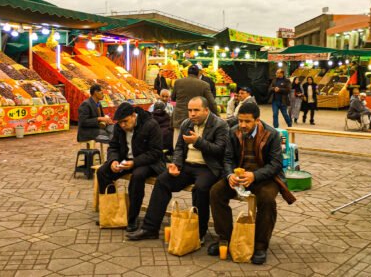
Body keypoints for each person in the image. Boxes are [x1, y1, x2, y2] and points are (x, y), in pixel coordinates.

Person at [127, 96, 229, 242]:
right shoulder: (186, 124)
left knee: (200, 188)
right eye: (190, 110)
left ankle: (199, 232)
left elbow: (220, 150)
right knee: (162, 181)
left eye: (196, 110)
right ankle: (150, 228)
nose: (192, 114)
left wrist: (198, 142)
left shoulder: (219, 125)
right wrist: (175, 164)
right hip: (187, 166)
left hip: (208, 167)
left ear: (206, 110)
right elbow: (179, 148)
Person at [208, 102, 296, 265]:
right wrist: (229, 175)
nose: (242, 125)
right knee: (216, 192)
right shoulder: (233, 132)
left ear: (257, 120)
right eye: (240, 120)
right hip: (239, 176)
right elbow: (227, 158)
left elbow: (276, 164)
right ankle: (225, 239)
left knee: (267, 199)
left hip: (265, 177)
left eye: (247, 121)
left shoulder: (272, 134)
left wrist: (254, 175)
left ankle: (260, 245)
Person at [95, 102, 166, 232]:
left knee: (137, 176)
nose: (123, 125)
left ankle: (132, 218)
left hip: (148, 162)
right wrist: (113, 161)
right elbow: (113, 146)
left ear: (134, 116)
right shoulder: (119, 127)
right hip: (125, 160)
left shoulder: (151, 125)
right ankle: (111, 213)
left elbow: (156, 152)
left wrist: (134, 162)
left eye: (125, 121)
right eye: (120, 122)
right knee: (102, 172)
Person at [171, 65, 218, 142]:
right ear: (198, 73)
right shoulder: (204, 85)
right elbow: (212, 103)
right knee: (193, 145)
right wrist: (217, 116)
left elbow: (173, 98)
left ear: (187, 73)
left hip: (179, 118)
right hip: (196, 119)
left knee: (177, 144)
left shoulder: (178, 82)